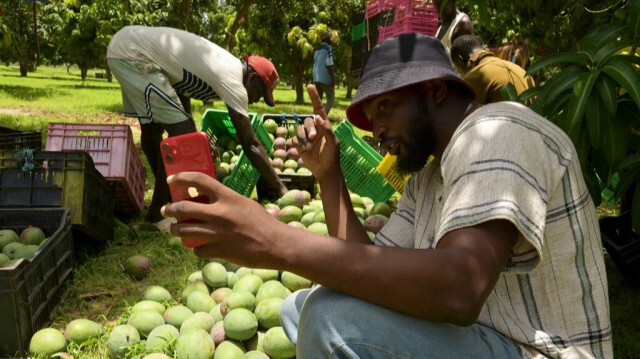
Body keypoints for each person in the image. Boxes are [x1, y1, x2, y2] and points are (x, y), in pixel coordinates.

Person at [161, 33, 612, 358]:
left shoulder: (498, 131)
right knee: (303, 305)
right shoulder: (428, 178)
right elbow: (367, 269)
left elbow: (460, 287)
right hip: (479, 339)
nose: (376, 132)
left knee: (327, 321)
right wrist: (330, 176)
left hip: (533, 350)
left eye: (384, 108)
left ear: (434, 91)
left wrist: (276, 242)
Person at [106, 25, 288, 224]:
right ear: (253, 79)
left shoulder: (223, 62)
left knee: (153, 130)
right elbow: (250, 144)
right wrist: (281, 188)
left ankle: (165, 197)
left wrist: (190, 129)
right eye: (260, 94)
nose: (254, 101)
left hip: (124, 47)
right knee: (184, 138)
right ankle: (157, 213)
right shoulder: (234, 82)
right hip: (136, 57)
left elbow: (181, 89)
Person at [451, 34, 535, 104]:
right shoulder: (526, 75)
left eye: (459, 71)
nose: (462, 75)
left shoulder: (474, 76)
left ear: (460, 60)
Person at [434, 0, 475, 65]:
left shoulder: (462, 24)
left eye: (440, 4)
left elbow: (469, 63)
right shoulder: (442, 26)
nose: (439, 9)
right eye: (436, 6)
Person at [313, 32, 335, 116]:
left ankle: (315, 116)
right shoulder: (328, 48)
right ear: (327, 39)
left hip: (316, 76)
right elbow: (329, 64)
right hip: (325, 77)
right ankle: (323, 116)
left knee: (318, 99)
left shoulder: (316, 49)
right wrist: (332, 78)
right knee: (331, 98)